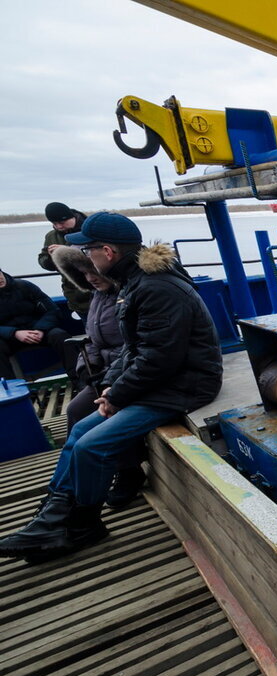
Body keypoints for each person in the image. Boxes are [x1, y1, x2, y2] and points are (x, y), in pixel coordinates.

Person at [0, 213, 223, 562]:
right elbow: (133, 349)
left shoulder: (155, 287)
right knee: (81, 429)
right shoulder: (134, 283)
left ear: (107, 251)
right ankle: (53, 516)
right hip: (163, 380)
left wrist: (117, 396)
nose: (86, 258)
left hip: (185, 383)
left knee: (92, 445)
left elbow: (159, 358)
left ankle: (83, 524)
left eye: (88, 250)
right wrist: (108, 387)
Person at [52, 247, 124, 430]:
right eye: (84, 273)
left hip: (123, 374)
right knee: (75, 410)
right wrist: (87, 366)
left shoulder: (127, 296)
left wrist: (109, 378)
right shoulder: (98, 297)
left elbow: (137, 344)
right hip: (104, 374)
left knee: (90, 418)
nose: (90, 278)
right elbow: (92, 339)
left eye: (94, 271)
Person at [0, 267, 72, 380]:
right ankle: (12, 391)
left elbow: (52, 310)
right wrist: (14, 333)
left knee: (60, 336)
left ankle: (80, 379)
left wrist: (40, 329)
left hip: (38, 330)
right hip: (10, 337)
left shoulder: (24, 286)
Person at [40, 202, 92, 320]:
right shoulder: (51, 236)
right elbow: (43, 262)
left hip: (97, 290)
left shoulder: (91, 230)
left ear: (72, 217)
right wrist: (51, 257)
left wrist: (67, 252)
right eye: (54, 223)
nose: (58, 226)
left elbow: (102, 258)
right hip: (74, 294)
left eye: (62, 222)